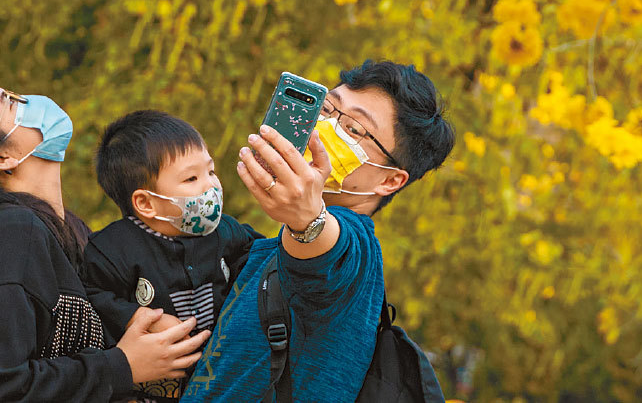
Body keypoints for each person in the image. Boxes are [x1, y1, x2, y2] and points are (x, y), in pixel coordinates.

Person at [0, 84, 210, 402]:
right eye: (11, 101)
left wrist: (129, 320)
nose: (31, 101)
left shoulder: (67, 232)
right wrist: (122, 366)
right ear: (4, 157)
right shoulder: (7, 236)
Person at [181, 59, 456, 403]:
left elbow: (329, 248)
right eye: (326, 109)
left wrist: (308, 220)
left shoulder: (358, 255)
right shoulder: (265, 249)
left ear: (390, 180)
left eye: (353, 129)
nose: (325, 127)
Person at [81, 110, 261, 402]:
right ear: (145, 203)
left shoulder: (225, 231)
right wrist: (136, 317)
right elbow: (90, 293)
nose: (211, 186)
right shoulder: (113, 249)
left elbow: (260, 257)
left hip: (221, 382)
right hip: (151, 389)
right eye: (191, 178)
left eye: (211, 171)